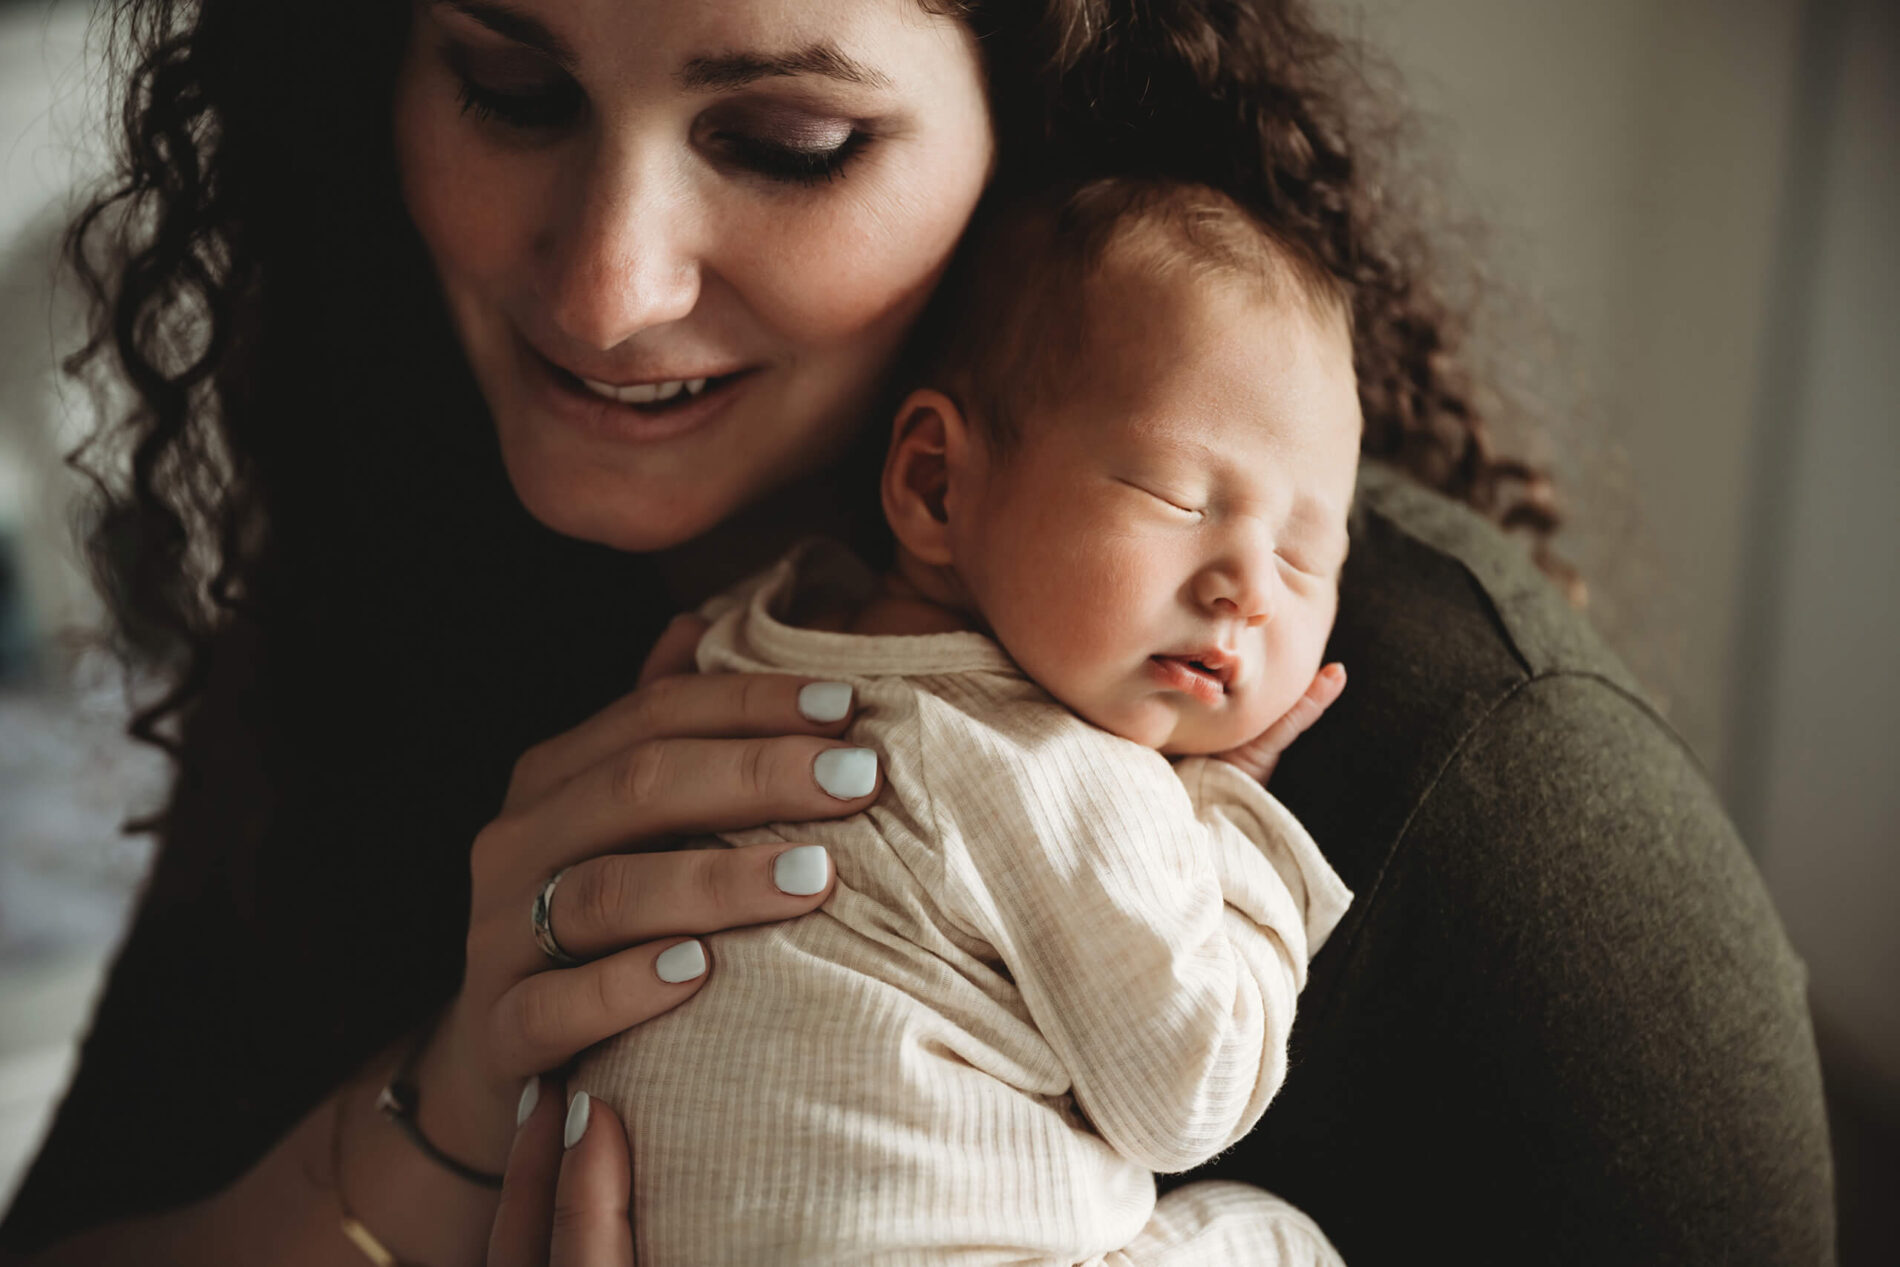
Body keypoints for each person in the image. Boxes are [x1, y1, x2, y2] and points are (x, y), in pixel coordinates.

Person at [0, 0, 1832, 1264]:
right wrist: (429, 1127)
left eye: (788, 139)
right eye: (514, 90)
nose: (606, 284)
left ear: (1032, 113)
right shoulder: (400, 535)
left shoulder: (1497, 818)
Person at [575, 177, 1358, 1265]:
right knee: (1278, 1243)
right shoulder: (1063, 771)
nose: (1246, 586)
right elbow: (1191, 1091)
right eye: (1182, 496)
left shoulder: (745, 637)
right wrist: (1231, 816)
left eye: (1302, 554)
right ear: (938, 485)